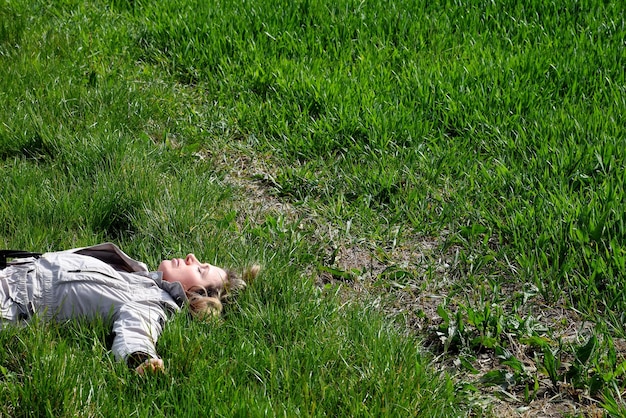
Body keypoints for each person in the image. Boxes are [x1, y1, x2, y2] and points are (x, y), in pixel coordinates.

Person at [0, 242, 259, 375]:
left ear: (195, 295)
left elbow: (137, 329)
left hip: (11, 301)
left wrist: (142, 357)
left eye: (200, 269)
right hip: (11, 271)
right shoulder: (139, 274)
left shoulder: (153, 302)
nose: (192, 258)